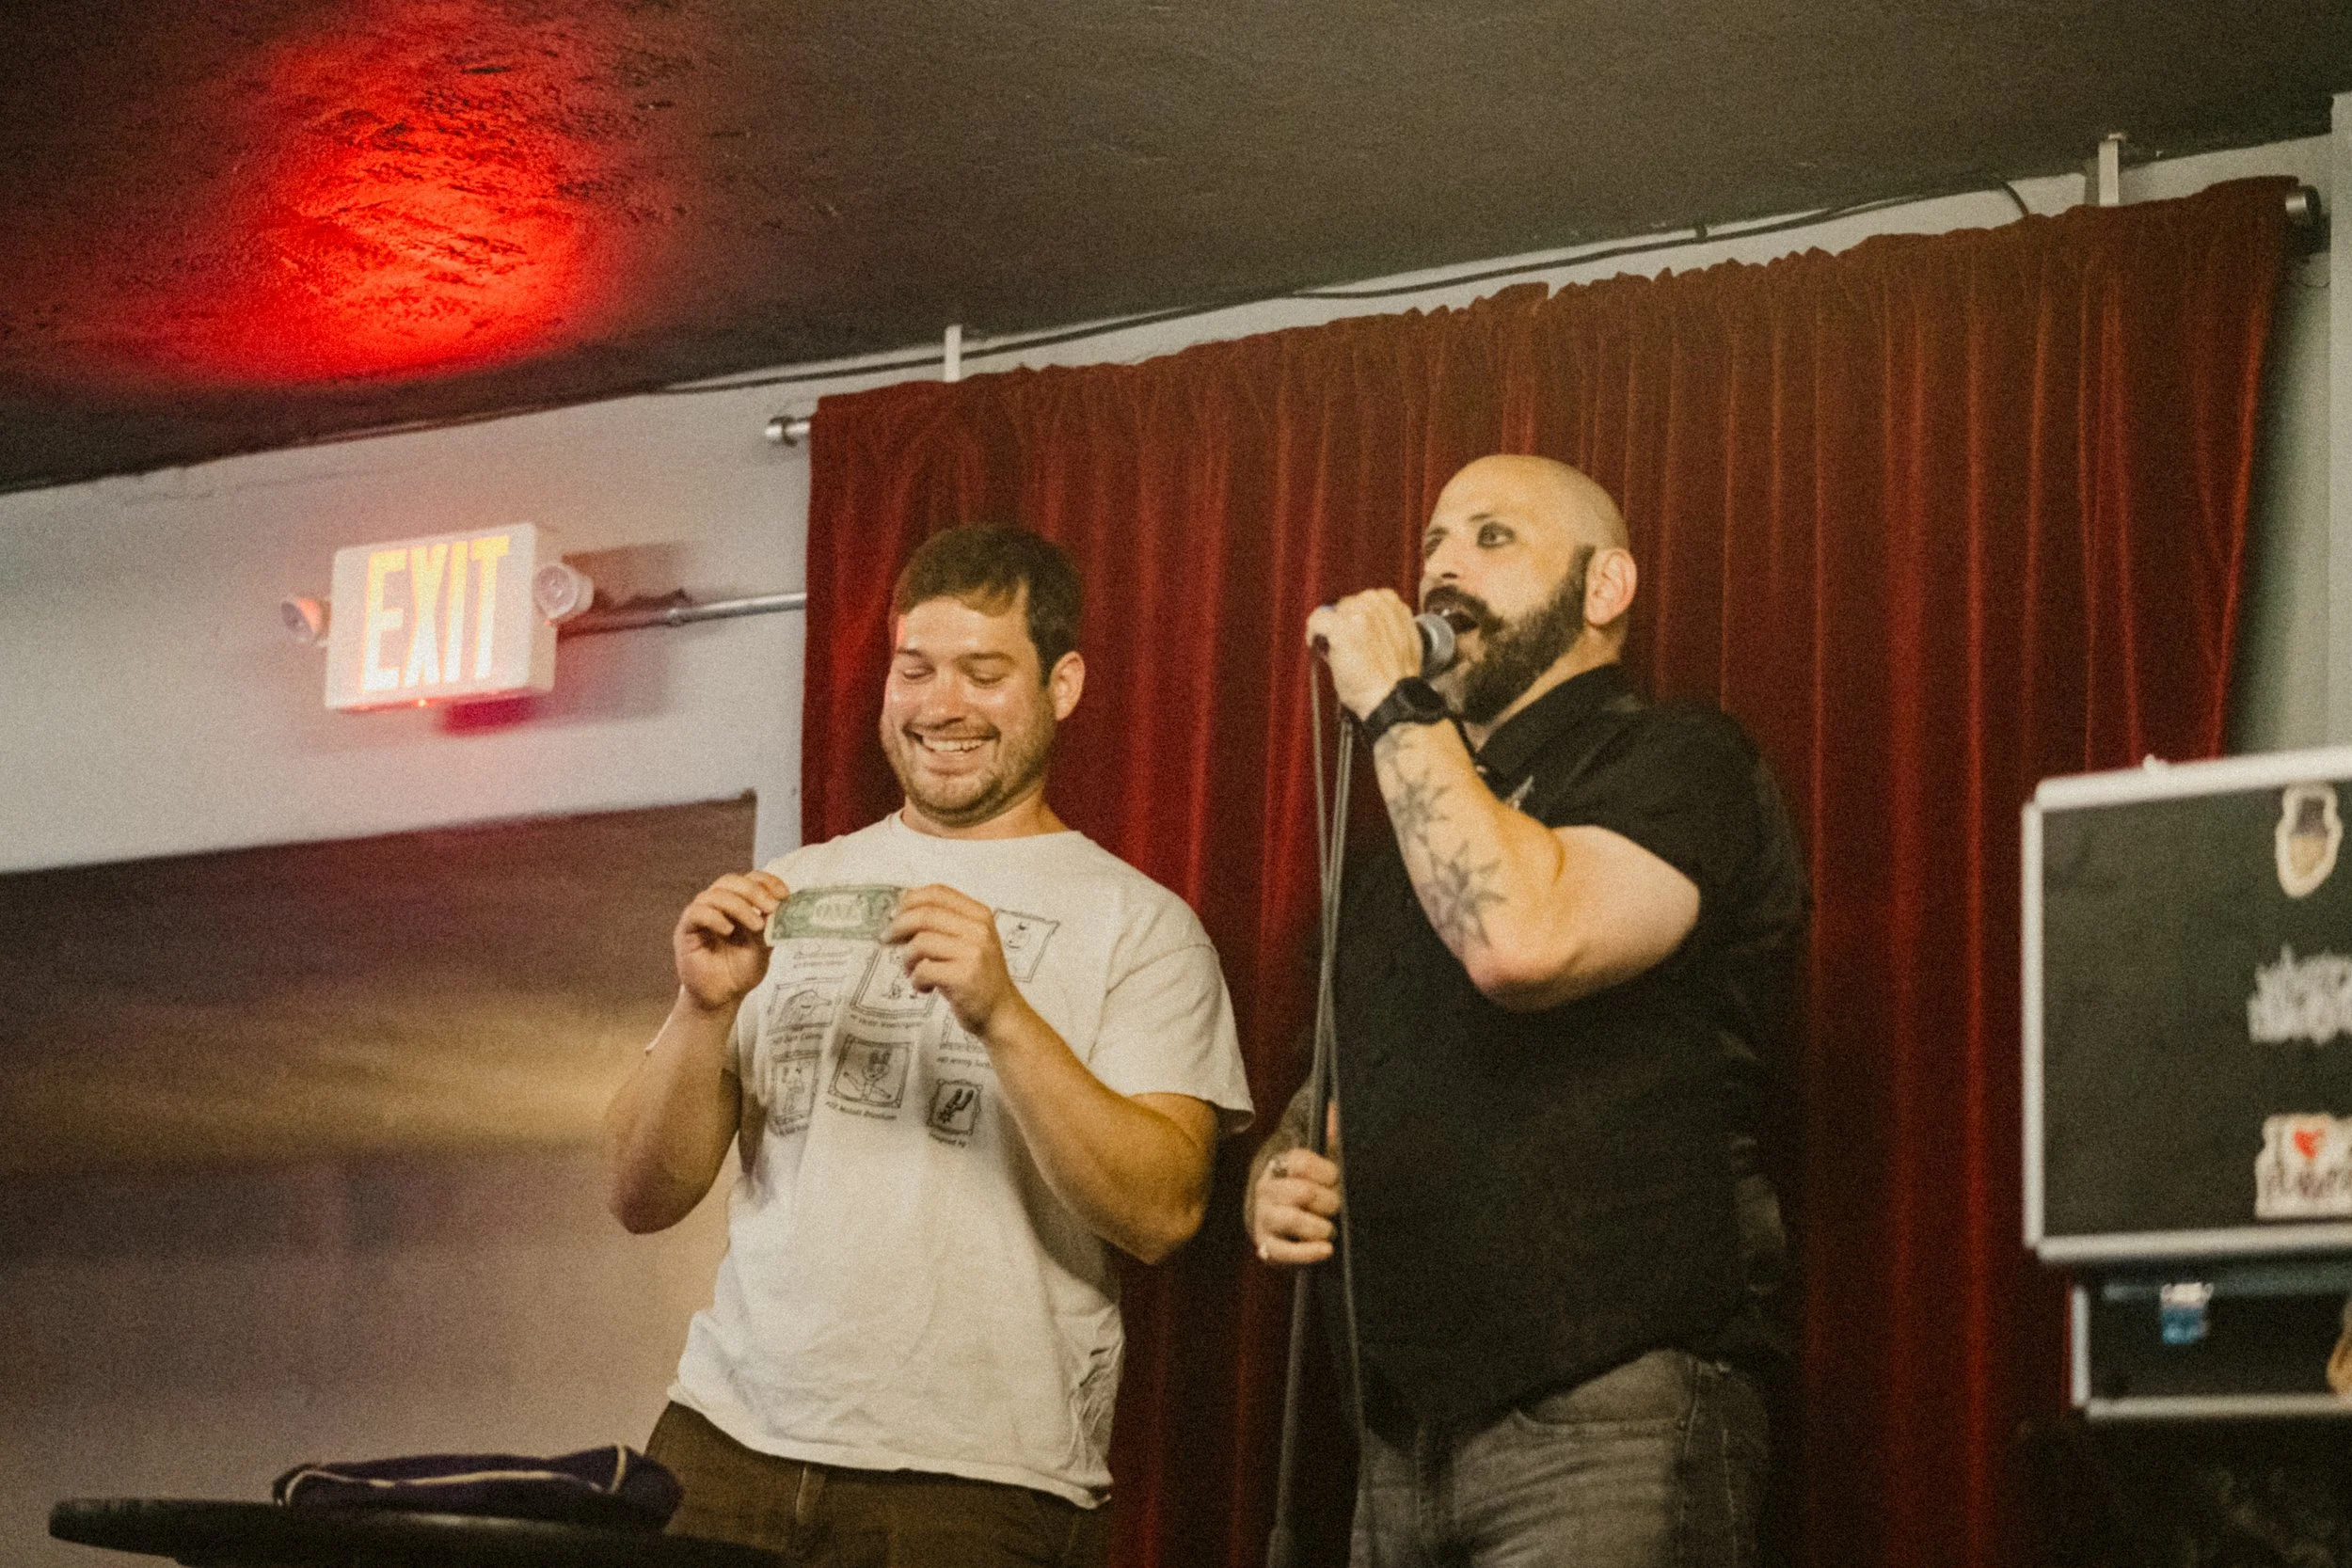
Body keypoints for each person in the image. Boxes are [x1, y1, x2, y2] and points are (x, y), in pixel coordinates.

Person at [607, 525, 1254, 1568]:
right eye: (915, 669)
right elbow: (638, 1195)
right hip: (724, 1445)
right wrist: (701, 1009)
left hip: (980, 1483)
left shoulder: (1138, 923)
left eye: (984, 673)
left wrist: (1004, 1012)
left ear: (1066, 683)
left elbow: (1164, 1209)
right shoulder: (798, 884)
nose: (940, 703)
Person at [1249, 455, 1807, 1568]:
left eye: (1493, 538)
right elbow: (1342, 1088)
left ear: (1605, 588)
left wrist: (1393, 701)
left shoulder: (1676, 754)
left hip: (1609, 1411)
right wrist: (1283, 1166)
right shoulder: (1395, 849)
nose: (1444, 567)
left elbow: (1523, 939)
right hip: (1400, 1437)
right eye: (1433, 544)